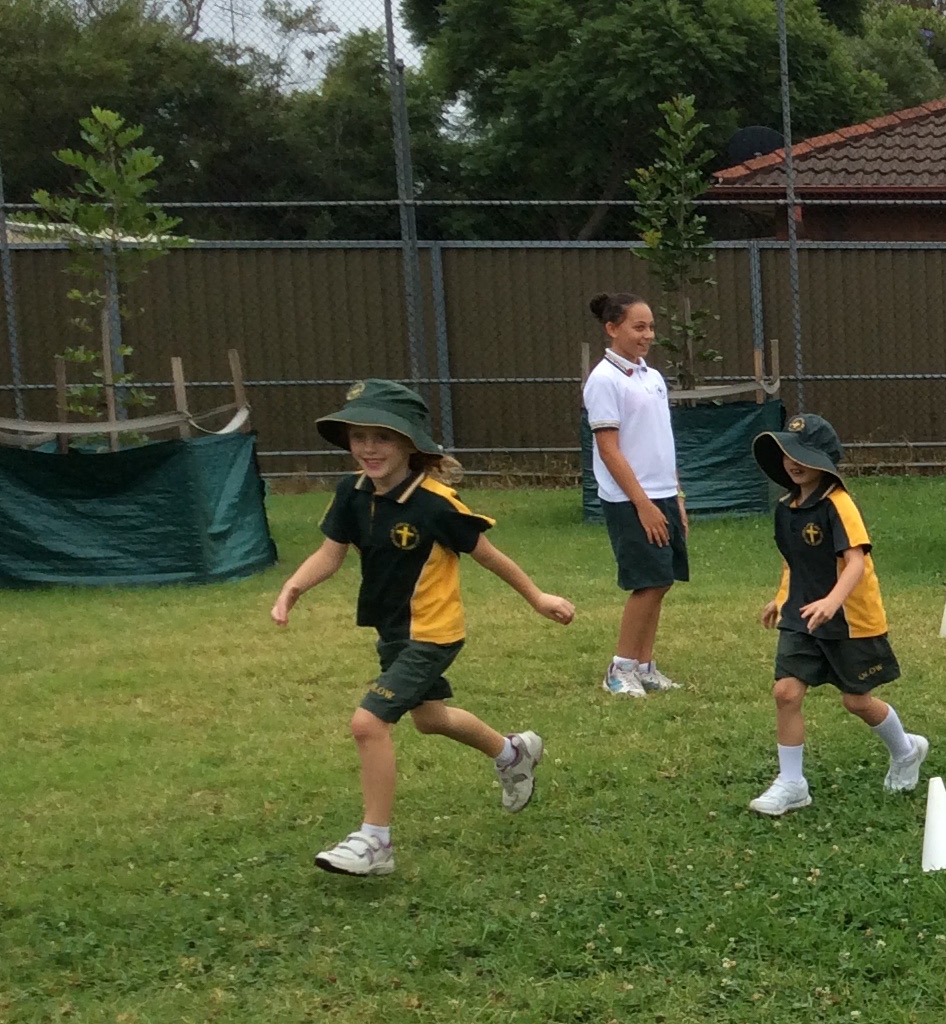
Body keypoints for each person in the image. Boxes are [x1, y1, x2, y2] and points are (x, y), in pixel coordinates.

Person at [271, 379, 575, 876]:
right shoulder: (351, 492)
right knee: (430, 718)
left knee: (368, 724)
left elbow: (489, 556)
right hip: (392, 634)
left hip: (433, 634)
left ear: (410, 443)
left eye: (382, 437)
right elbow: (330, 553)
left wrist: (538, 597)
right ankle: (512, 753)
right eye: (359, 437)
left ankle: (375, 842)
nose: (369, 448)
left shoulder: (436, 504)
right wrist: (293, 587)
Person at [746, 414, 927, 815]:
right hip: (803, 616)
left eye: (802, 456)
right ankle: (792, 783)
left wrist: (832, 602)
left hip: (850, 620)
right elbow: (794, 562)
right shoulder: (786, 507)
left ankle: (906, 750)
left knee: (857, 701)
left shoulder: (839, 504)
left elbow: (856, 561)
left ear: (823, 461)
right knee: (786, 692)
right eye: (787, 454)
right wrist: (781, 598)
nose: (792, 463)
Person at [584, 291, 688, 695]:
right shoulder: (603, 380)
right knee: (647, 582)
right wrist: (642, 504)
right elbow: (609, 449)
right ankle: (620, 670)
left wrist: (676, 496)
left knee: (662, 580)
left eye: (651, 327)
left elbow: (661, 441)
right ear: (612, 329)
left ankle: (644, 667)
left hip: (661, 494)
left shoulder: (652, 377)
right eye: (638, 327)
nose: (648, 335)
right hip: (630, 500)